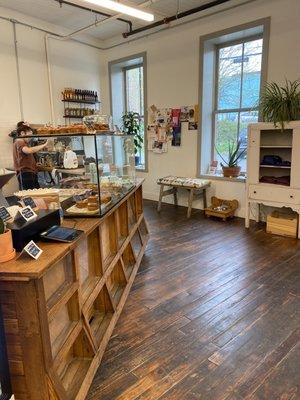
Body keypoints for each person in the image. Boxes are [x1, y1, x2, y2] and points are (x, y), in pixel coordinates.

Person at [13, 124, 48, 190]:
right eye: (29, 136)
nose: (30, 138)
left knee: (35, 194)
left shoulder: (22, 143)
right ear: (22, 133)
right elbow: (28, 151)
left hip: (28, 173)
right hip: (26, 174)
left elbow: (24, 157)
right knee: (32, 196)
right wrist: (44, 145)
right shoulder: (19, 142)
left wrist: (34, 164)